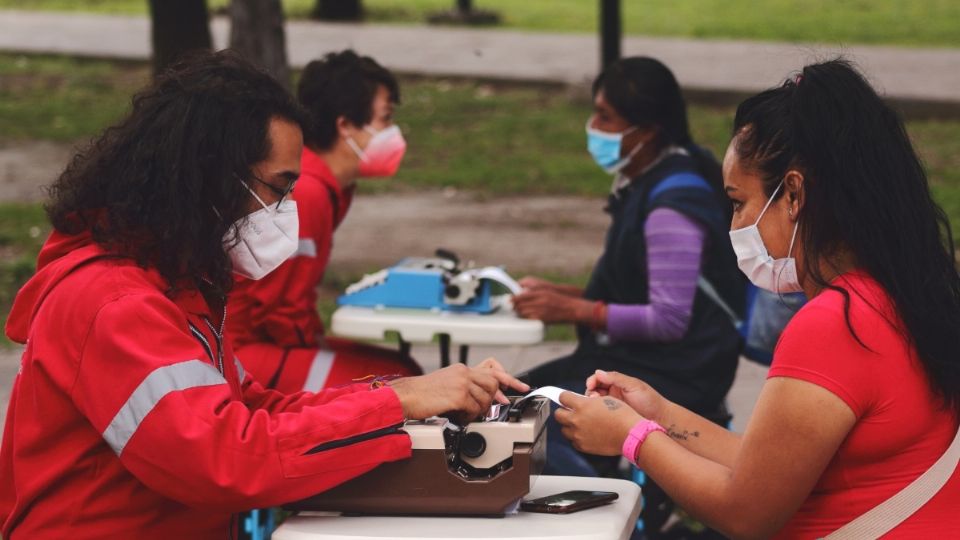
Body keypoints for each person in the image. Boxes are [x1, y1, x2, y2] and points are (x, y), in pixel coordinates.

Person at [0, 51, 528, 538]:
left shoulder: (173, 285)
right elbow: (225, 460)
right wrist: (400, 401)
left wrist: (403, 396)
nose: (284, 210)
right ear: (209, 178)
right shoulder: (116, 303)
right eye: (277, 189)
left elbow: (252, 410)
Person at [555, 59, 960, 538]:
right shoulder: (894, 294)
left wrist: (632, 438)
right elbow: (766, 466)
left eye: (738, 202)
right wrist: (658, 413)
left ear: (793, 194)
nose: (735, 226)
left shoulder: (834, 325)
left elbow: (746, 511)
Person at [515, 57, 744, 473]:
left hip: (679, 373)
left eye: (605, 117)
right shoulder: (650, 177)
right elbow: (640, 287)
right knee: (515, 399)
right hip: (644, 360)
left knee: (533, 418)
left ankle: (599, 517)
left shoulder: (672, 204)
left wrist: (573, 311)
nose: (593, 127)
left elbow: (668, 318)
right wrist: (559, 295)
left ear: (648, 129)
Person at [227, 50, 421, 395]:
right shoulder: (310, 193)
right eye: (385, 119)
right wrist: (313, 344)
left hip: (261, 344)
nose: (393, 132)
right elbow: (278, 310)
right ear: (345, 124)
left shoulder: (329, 188)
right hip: (243, 353)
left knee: (405, 371)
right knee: (400, 381)